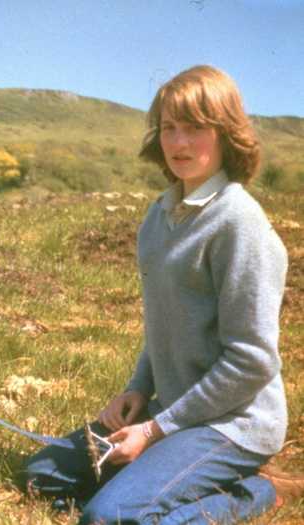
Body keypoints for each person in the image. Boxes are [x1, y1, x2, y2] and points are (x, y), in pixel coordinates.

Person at [21, 65, 290, 524]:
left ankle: (260, 490)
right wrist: (138, 391)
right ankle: (165, 476)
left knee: (109, 519)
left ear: (227, 135)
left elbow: (252, 361)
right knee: (42, 474)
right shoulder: (159, 217)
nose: (179, 144)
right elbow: (166, 322)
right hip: (173, 411)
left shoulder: (239, 224)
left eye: (196, 129)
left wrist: (153, 429)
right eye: (169, 128)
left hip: (233, 423)